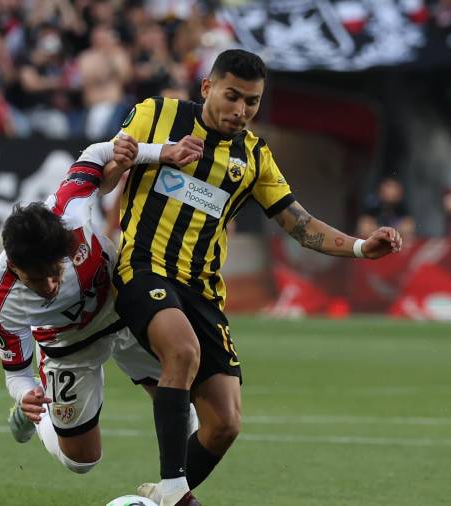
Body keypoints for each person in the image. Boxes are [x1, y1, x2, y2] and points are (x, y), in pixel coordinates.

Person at [110, 49, 403, 506]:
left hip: (203, 290)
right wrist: (146, 156)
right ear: (207, 87)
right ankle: (173, 490)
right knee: (182, 351)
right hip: (142, 268)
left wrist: (363, 247)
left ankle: (160, 497)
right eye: (232, 97)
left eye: (252, 102)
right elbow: (107, 170)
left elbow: (299, 224)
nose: (241, 110)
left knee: (225, 424)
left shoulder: (254, 156)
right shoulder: (157, 114)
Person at [0, 135, 198, 476]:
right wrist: (26, 394)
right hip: (69, 345)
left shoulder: (69, 210)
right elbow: (16, 373)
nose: (50, 286)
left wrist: (162, 152)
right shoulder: (1, 303)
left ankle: (175, 491)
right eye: (37, 281)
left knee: (184, 408)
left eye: (54, 273)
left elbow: (96, 153)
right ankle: (32, 422)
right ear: (15, 265)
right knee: (81, 461)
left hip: (123, 307)